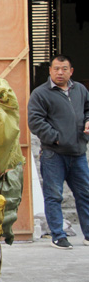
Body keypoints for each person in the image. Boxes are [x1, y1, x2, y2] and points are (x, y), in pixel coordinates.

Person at [28, 54, 89, 249]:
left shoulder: (80, 90)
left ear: (71, 71)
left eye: (64, 69)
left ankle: (88, 234)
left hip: (78, 153)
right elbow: (35, 121)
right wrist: (56, 138)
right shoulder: (40, 93)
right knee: (54, 195)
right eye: (56, 69)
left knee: (85, 194)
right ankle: (58, 236)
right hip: (53, 154)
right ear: (50, 71)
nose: (60, 72)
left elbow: (88, 110)